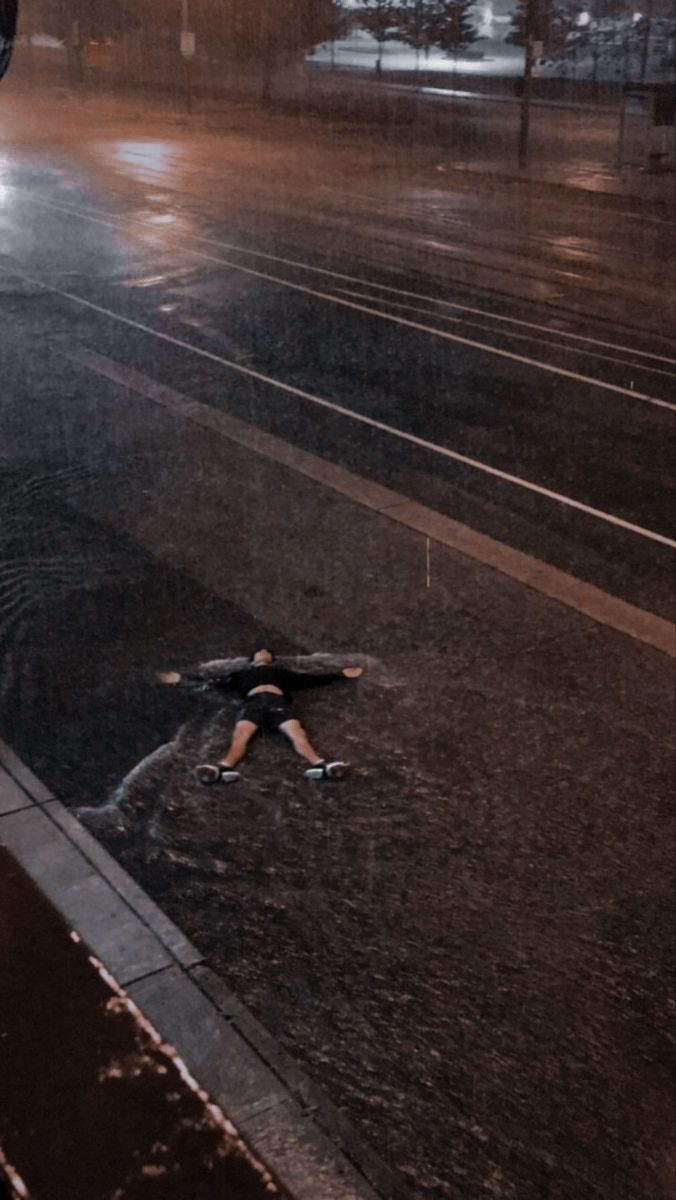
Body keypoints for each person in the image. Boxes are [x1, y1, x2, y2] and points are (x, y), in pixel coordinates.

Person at [158, 649, 363, 784]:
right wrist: (182, 679)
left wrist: (341, 674)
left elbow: (311, 679)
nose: (263, 652)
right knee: (240, 738)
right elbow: (214, 682)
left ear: (271, 659)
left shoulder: (281, 673)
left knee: (298, 734)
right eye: (259, 652)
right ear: (252, 660)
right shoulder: (241, 675)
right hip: (253, 704)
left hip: (277, 703)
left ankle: (320, 764)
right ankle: (221, 768)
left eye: (266, 652)